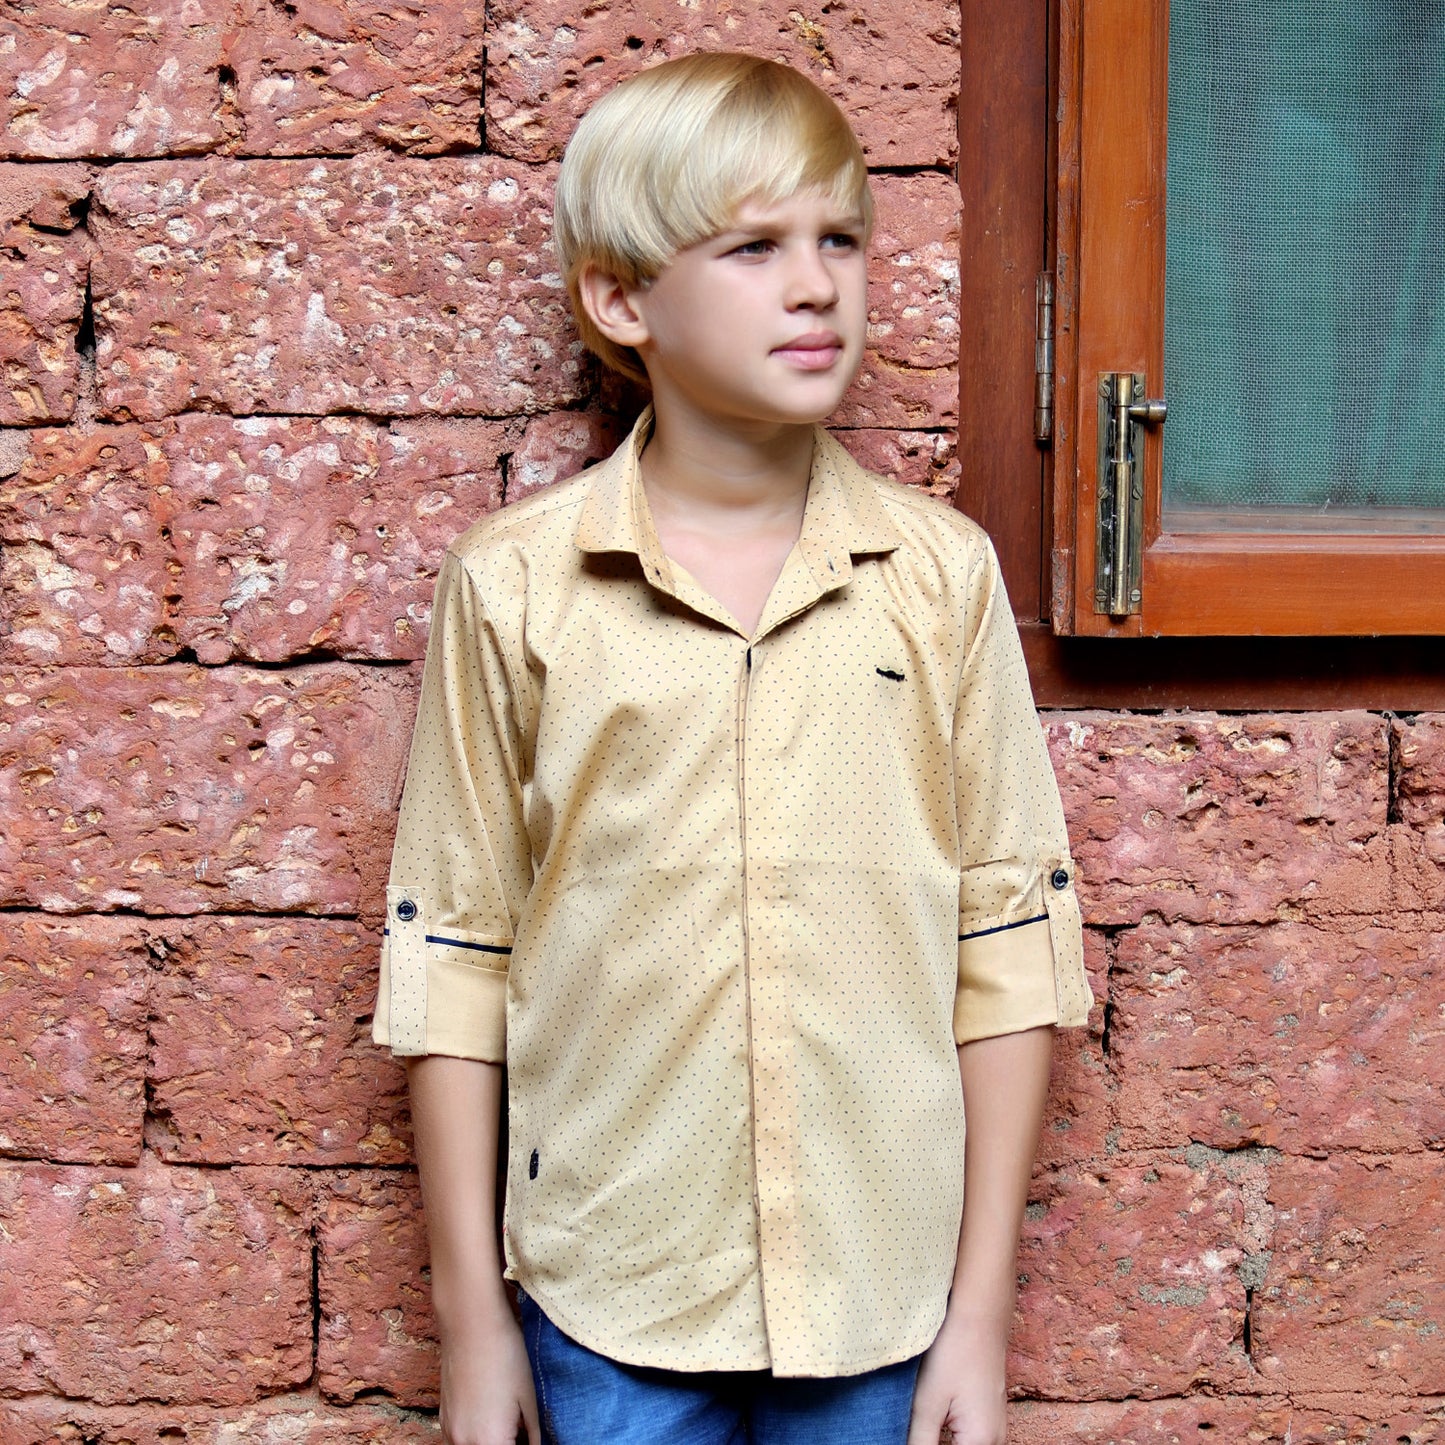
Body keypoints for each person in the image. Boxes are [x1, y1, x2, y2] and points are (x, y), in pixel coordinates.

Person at [373, 52, 1092, 1445]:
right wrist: (471, 1321)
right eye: (754, 248)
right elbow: (455, 954)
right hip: (613, 1289)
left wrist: (981, 1315)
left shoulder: (937, 579)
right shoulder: (515, 586)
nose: (816, 286)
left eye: (840, 241)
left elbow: (1008, 945)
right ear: (620, 300)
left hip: (880, 1295)